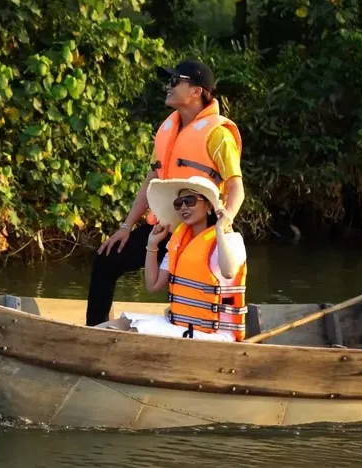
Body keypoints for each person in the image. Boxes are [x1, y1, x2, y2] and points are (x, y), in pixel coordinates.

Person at [85, 60, 246, 326]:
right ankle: (95, 334)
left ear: (196, 91)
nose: (167, 86)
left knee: (188, 283)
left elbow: (235, 187)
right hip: (164, 229)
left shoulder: (218, 135)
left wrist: (224, 222)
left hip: (199, 231)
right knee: (106, 260)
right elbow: (151, 181)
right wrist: (126, 226)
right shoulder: (166, 130)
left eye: (175, 81)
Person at [97, 176, 248, 342]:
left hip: (215, 333)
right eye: (179, 203)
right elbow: (153, 285)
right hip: (181, 324)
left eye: (190, 200)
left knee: (131, 332)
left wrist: (220, 228)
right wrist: (152, 244)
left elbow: (228, 271)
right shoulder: (178, 243)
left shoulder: (231, 239)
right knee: (117, 324)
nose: (183, 206)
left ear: (208, 206)